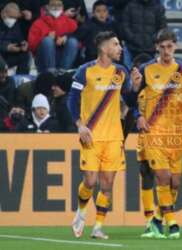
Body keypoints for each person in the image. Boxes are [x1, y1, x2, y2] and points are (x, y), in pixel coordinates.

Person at [68, 31, 142, 239]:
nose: (120, 48)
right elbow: (72, 100)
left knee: (107, 184)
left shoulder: (121, 71)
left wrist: (135, 87)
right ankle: (81, 212)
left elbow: (129, 100)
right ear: (103, 47)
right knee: (90, 181)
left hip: (114, 137)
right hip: (91, 134)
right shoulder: (85, 71)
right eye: (116, 44)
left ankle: (98, 227)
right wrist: (79, 125)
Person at [131, 28, 182, 239]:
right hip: (153, 131)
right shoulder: (147, 69)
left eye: (170, 46)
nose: (166, 50)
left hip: (175, 133)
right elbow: (131, 96)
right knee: (162, 176)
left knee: (175, 182)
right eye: (162, 47)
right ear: (156, 48)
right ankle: (173, 223)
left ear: (175, 46)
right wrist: (137, 116)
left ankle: (157, 220)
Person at [28, 0, 78, 73]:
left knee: (73, 41)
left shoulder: (71, 23)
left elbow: (79, 41)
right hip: (43, 61)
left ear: (62, 7)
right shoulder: (38, 23)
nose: (56, 7)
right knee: (47, 41)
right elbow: (32, 46)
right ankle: (51, 72)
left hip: (64, 59)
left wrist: (66, 38)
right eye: (53, 5)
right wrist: (45, 38)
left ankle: (63, 72)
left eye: (59, 5)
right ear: (47, 7)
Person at [0, 2, 30, 74]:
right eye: (11, 17)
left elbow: (19, 39)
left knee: (25, 55)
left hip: (10, 55)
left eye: (15, 18)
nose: (12, 20)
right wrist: (6, 47)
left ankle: (22, 79)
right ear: (3, 14)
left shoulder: (16, 25)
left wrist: (23, 44)